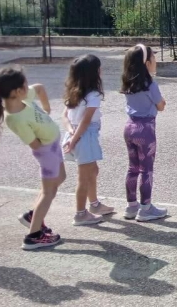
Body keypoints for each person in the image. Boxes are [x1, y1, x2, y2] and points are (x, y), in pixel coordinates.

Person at [0, 66, 66, 249]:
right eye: (25, 84)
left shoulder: (23, 97)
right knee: (48, 192)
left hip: (52, 146)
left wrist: (47, 108)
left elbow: (41, 88)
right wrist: (47, 137)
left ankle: (32, 216)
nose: (29, 86)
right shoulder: (14, 118)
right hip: (46, 152)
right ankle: (33, 236)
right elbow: (34, 144)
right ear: (17, 91)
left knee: (61, 178)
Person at [62, 54, 115, 226]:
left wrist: (71, 134)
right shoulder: (93, 94)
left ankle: (94, 205)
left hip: (77, 134)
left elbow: (65, 116)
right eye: (99, 68)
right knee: (84, 177)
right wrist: (75, 138)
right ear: (93, 73)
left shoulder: (74, 90)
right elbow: (86, 120)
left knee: (93, 171)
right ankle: (80, 214)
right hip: (85, 135)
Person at [120, 44, 169, 221]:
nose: (156, 61)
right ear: (147, 63)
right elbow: (160, 106)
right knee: (146, 169)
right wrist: (163, 101)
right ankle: (146, 207)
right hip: (146, 129)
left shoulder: (128, 82)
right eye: (154, 58)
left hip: (129, 127)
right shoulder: (150, 84)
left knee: (132, 168)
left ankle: (131, 206)